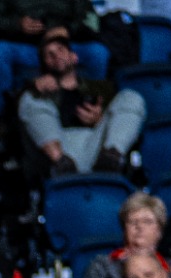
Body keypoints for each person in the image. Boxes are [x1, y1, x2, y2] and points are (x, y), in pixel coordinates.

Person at [16, 26, 143, 177]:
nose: (55, 55)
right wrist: (31, 87)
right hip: (59, 148)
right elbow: (15, 115)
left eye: (60, 50)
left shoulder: (101, 88)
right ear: (44, 64)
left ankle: (111, 159)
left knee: (131, 97)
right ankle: (62, 165)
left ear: (74, 57)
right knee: (30, 100)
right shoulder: (36, 91)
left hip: (98, 149)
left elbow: (124, 121)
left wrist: (99, 119)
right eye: (49, 54)